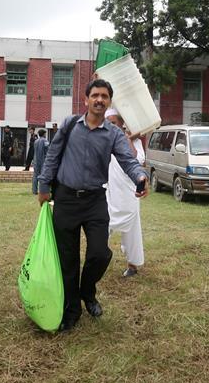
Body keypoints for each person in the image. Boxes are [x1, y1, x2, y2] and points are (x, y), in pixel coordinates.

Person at [36, 79, 147, 332]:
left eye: (104, 96)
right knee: (68, 259)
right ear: (86, 99)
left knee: (99, 253)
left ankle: (88, 291)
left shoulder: (114, 134)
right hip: (65, 198)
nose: (99, 99)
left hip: (95, 199)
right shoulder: (69, 125)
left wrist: (140, 177)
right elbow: (53, 154)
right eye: (95, 95)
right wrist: (44, 186)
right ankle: (72, 310)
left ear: (108, 102)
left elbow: (128, 161)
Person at [104, 109, 146, 278]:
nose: (110, 126)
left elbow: (137, 160)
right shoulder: (103, 139)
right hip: (109, 191)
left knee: (132, 230)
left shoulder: (133, 141)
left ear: (122, 123)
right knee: (102, 227)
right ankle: (97, 261)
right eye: (108, 123)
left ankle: (133, 264)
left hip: (129, 193)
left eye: (113, 123)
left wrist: (127, 139)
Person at [30, 128, 49, 195]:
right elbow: (47, 151)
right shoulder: (45, 141)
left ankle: (34, 191)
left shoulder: (36, 141)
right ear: (43, 134)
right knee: (43, 176)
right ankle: (42, 191)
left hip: (36, 161)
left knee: (35, 176)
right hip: (43, 161)